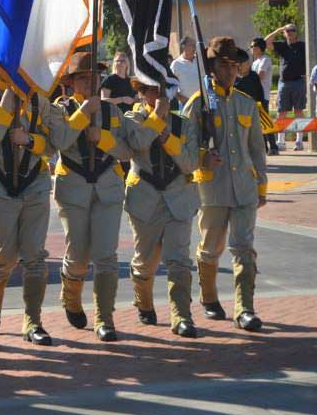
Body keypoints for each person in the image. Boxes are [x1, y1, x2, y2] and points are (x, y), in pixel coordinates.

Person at [0, 64, 80, 347]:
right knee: (5, 255)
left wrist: (29, 140)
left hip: (34, 183)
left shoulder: (39, 100)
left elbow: (54, 145)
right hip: (1, 184)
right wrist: (9, 94)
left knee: (34, 256)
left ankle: (33, 321)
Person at [182, 37, 267, 332]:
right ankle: (209, 298)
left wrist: (262, 185)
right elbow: (186, 151)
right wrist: (203, 158)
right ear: (211, 67)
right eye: (223, 64)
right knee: (210, 249)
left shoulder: (246, 103)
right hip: (212, 189)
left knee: (244, 248)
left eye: (234, 65)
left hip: (244, 186)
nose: (230, 70)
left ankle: (245, 309)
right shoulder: (197, 105)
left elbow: (257, 149)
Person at [52, 52, 135, 342]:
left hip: (107, 187)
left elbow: (127, 152)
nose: (91, 82)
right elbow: (59, 142)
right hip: (73, 188)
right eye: (84, 78)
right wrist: (83, 114)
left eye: (94, 77)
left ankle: (105, 318)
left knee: (106, 256)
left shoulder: (112, 113)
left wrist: (105, 139)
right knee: (78, 258)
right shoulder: (60, 109)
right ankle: (71, 297)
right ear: (72, 82)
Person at [124, 77, 200, 338]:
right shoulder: (132, 119)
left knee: (179, 260)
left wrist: (169, 138)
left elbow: (191, 163)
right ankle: (143, 300)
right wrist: (157, 118)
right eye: (151, 90)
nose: (158, 95)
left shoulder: (183, 124)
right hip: (145, 199)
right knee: (145, 263)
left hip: (178, 197)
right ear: (142, 94)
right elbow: (137, 144)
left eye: (163, 90)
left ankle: (181, 315)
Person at [265, 24, 307, 150]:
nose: (289, 32)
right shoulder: (282, 46)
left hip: (298, 81)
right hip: (284, 82)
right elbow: (266, 42)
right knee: (281, 112)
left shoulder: (302, 45)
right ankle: (281, 142)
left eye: (292, 30)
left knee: (298, 111)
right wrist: (278, 30)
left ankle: (299, 142)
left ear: (296, 32)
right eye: (287, 30)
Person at [250, 38, 279, 155]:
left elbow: (260, 76)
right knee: (258, 123)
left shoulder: (265, 59)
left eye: (254, 47)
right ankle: (264, 148)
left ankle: (273, 147)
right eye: (251, 47)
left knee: (265, 121)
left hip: (263, 95)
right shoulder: (254, 62)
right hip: (254, 95)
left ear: (260, 48)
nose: (252, 49)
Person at [170, 37, 200, 108]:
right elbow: (170, 85)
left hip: (202, 103)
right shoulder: (176, 64)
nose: (194, 48)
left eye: (194, 45)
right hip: (185, 104)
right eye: (191, 45)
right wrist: (181, 98)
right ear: (183, 46)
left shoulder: (200, 61)